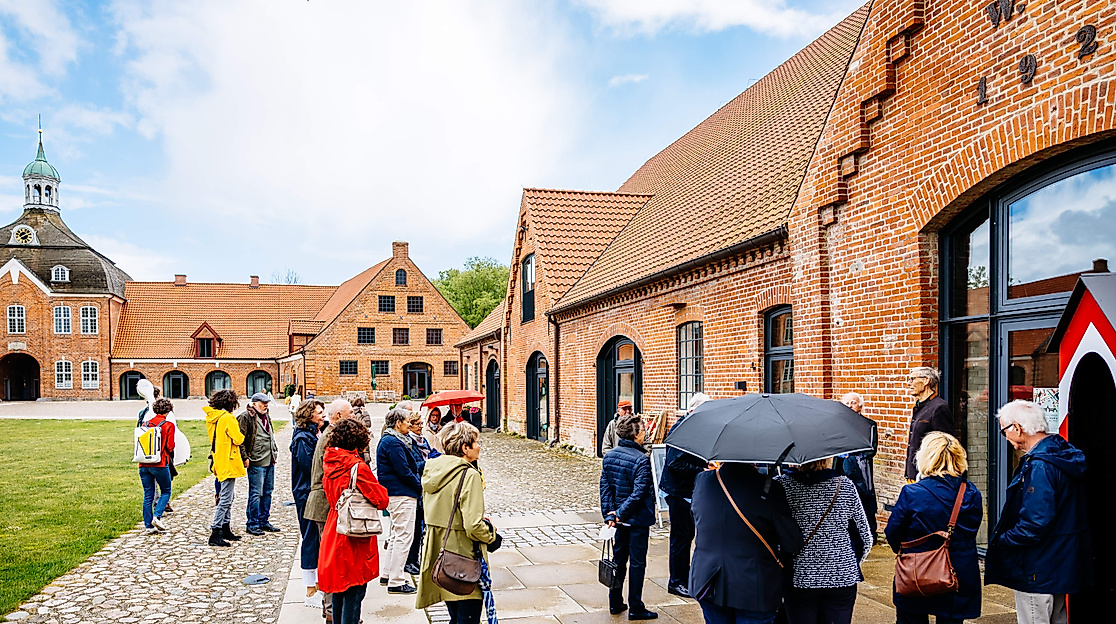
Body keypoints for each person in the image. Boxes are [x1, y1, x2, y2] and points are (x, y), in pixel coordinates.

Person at [984, 400, 1093, 624]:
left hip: (1037, 566)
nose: (1005, 437)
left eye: (1004, 430)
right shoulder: (1061, 453)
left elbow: (1034, 523)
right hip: (1059, 563)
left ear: (1017, 428)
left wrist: (1002, 540)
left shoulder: (1040, 466)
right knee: (1057, 617)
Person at [885, 432, 983, 624]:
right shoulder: (971, 492)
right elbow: (972, 528)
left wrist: (907, 550)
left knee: (910, 619)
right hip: (958, 571)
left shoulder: (912, 493)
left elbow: (892, 533)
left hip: (917, 568)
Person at [690, 462, 803, 624]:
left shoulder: (703, 480)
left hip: (709, 579)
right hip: (754, 586)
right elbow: (791, 542)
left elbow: (697, 518)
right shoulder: (769, 486)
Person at [416, 421, 498, 624]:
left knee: (456, 615)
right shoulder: (469, 475)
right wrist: (492, 536)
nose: (479, 446)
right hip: (462, 558)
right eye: (476, 442)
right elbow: (473, 525)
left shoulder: (433, 469)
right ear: (465, 447)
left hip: (440, 553)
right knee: (468, 617)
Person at [776, 458, 872, 624]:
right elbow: (865, 539)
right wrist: (848, 562)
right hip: (842, 576)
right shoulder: (846, 486)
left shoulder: (780, 486)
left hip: (799, 576)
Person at [319, 419, 390, 624]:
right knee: (354, 591)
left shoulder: (330, 459)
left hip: (335, 523)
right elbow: (381, 499)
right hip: (354, 529)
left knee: (340, 590)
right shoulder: (356, 466)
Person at [600, 413, 657, 620]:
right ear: (635, 434)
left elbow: (605, 489)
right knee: (637, 563)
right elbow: (639, 492)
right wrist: (620, 513)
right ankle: (636, 606)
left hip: (618, 521)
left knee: (618, 560)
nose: (645, 433)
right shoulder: (642, 459)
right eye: (643, 430)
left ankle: (615, 602)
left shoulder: (610, 456)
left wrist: (610, 515)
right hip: (638, 519)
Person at [305, 398, 354, 622]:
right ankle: (331, 610)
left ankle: (333, 609)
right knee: (331, 559)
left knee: (334, 557)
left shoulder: (332, 434)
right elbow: (328, 476)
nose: (354, 416)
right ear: (338, 416)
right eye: (350, 413)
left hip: (328, 502)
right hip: (325, 503)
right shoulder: (331, 438)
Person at [658, 392, 710, 597]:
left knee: (689, 535)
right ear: (693, 410)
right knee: (680, 539)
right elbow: (674, 462)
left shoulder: (694, 426)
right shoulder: (683, 429)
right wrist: (703, 470)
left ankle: (686, 577)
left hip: (687, 491)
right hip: (678, 492)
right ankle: (676, 581)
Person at [377, 407, 422, 594]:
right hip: (401, 493)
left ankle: (387, 573)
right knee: (404, 537)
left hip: (395, 493)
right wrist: (420, 486)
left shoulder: (391, 440)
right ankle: (396, 580)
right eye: (407, 421)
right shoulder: (393, 442)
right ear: (398, 423)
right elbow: (404, 471)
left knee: (396, 535)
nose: (409, 425)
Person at [292, 399, 326, 607]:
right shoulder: (303, 438)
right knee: (310, 538)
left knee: (318, 539)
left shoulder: (316, 433)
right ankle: (309, 590)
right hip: (306, 493)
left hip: (314, 492)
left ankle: (319, 583)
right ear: (309, 415)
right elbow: (310, 466)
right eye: (319, 412)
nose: (323, 415)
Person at [204, 389, 245, 547]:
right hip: (229, 460)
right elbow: (238, 438)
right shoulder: (227, 418)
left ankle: (225, 527)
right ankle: (216, 531)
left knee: (229, 496)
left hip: (219, 459)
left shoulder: (213, 417)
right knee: (226, 499)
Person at [239, 392, 280, 536]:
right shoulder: (246, 417)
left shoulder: (266, 415)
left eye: (267, 402)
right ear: (254, 404)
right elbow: (240, 440)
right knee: (256, 493)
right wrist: (245, 457)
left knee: (268, 492)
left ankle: (264, 521)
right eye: (263, 403)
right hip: (256, 460)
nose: (266, 405)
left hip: (270, 458)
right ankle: (252, 523)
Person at [839, 392, 878, 540]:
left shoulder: (869, 425)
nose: (850, 405)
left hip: (861, 469)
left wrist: (853, 452)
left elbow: (872, 449)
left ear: (860, 406)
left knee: (864, 499)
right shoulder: (838, 426)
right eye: (847, 403)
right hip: (842, 466)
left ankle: (869, 534)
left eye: (853, 402)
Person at [905, 367, 953, 482]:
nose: (908, 383)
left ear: (926, 381)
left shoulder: (939, 408)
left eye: (912, 379)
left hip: (928, 476)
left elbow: (945, 446)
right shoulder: (919, 406)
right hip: (914, 474)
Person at [138, 397, 176, 534]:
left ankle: (148, 526)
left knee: (148, 494)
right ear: (168, 410)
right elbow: (170, 446)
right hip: (160, 463)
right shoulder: (168, 425)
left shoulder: (145, 423)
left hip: (143, 463)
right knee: (166, 490)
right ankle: (157, 516)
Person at [405, 412, 429, 576]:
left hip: (423, 486)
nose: (421, 426)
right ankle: (410, 561)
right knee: (413, 529)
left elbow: (430, 451)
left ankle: (416, 558)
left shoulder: (423, 440)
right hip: (415, 487)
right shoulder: (410, 442)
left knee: (420, 528)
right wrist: (428, 463)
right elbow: (412, 465)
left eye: (422, 423)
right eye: (418, 424)